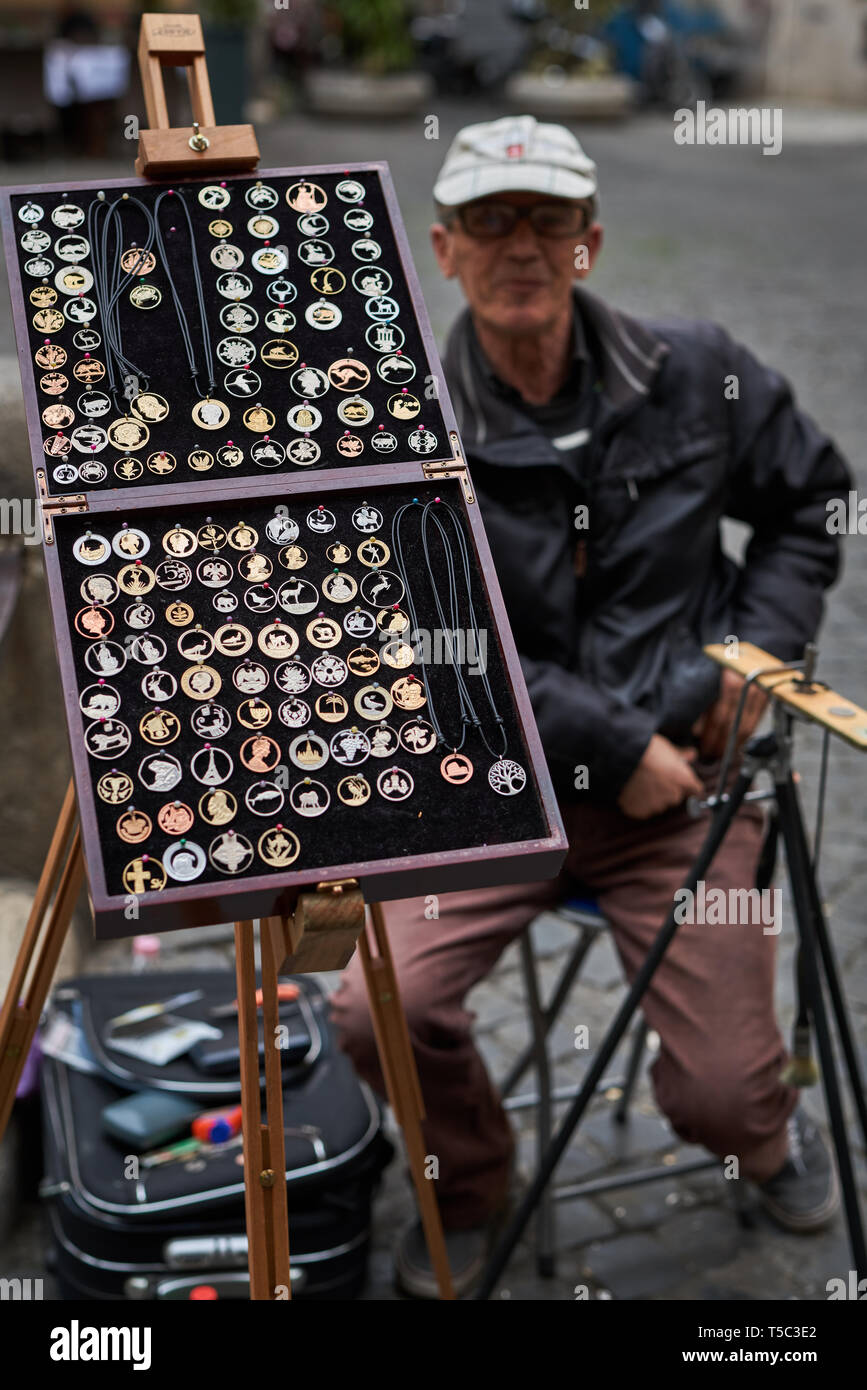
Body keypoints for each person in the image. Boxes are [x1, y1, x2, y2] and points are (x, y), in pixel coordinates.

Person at [330, 115, 851, 1299]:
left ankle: (764, 1139)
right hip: (483, 787)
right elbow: (428, 640)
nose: (522, 245)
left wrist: (752, 657)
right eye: (491, 222)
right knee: (374, 1010)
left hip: (687, 793)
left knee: (721, 1093)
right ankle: (466, 1178)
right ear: (445, 248)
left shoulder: (697, 373)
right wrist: (614, 744)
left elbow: (812, 504)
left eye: (548, 219)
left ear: (590, 243)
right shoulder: (404, 428)